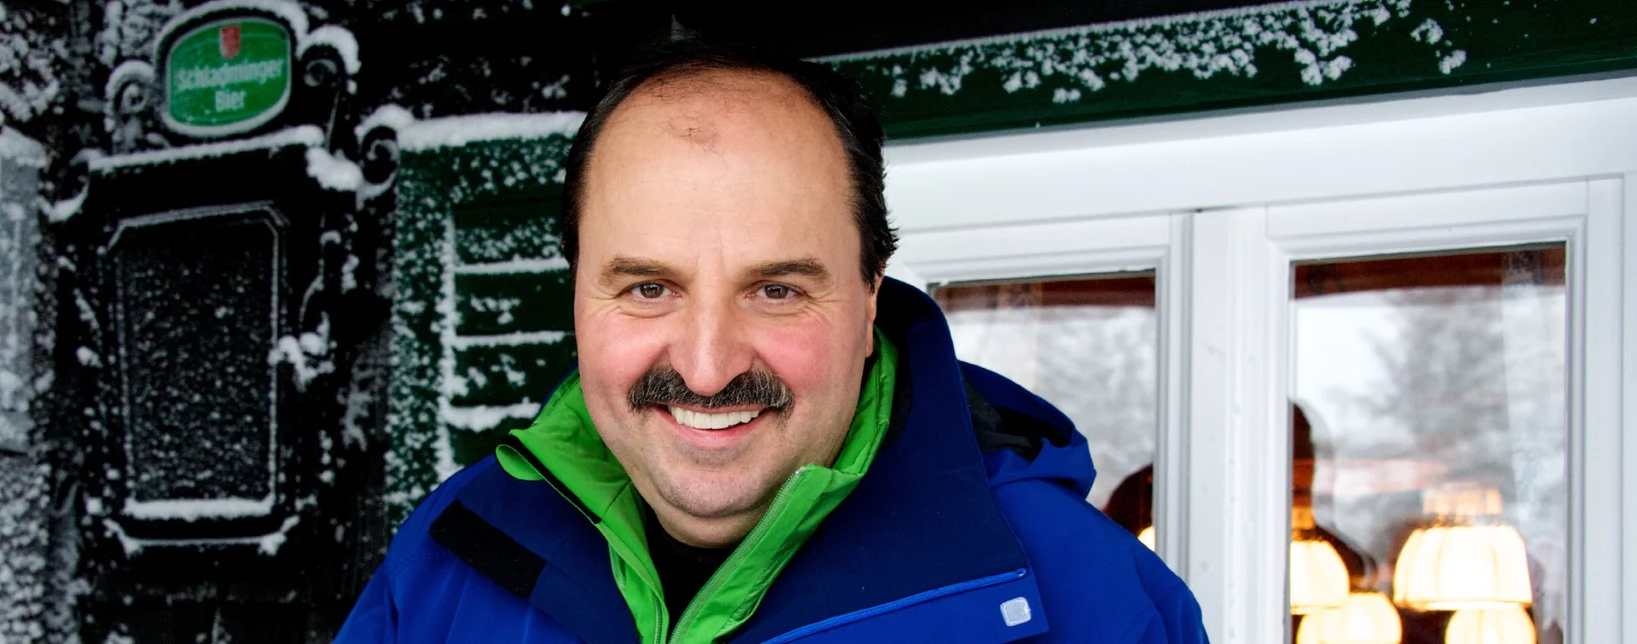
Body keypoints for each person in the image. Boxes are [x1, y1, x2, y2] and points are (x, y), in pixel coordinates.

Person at [334, 40, 1207, 643]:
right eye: (647, 288)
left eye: (777, 289)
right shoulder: (453, 555)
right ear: (576, 291)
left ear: (869, 298)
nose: (707, 367)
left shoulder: (1088, 600)